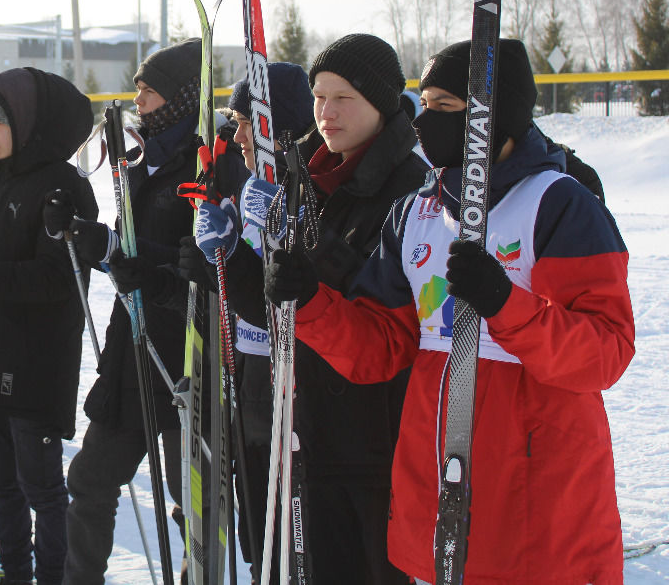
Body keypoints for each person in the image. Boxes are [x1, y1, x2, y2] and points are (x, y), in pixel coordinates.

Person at [269, 38, 635, 584]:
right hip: (436, 487)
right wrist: (313, 303)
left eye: (445, 108)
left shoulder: (557, 204)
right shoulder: (415, 214)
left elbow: (603, 353)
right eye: (425, 105)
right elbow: (380, 347)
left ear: (495, 117)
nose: (424, 122)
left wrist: (506, 306)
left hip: (535, 499)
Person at [209, 37, 427, 583]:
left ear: (380, 102)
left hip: (377, 443)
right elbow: (279, 307)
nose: (326, 113)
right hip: (307, 429)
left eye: (344, 98)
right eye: (319, 96)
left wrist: (318, 258)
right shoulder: (304, 177)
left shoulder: (413, 187)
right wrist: (228, 263)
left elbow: (392, 318)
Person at [48, 39, 204, 585]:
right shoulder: (142, 159)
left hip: (185, 360)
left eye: (150, 91)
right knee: (91, 478)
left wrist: (134, 261)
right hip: (131, 349)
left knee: (192, 499)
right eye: (138, 89)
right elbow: (129, 246)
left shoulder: (208, 165)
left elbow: (201, 265)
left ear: (183, 98)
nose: (139, 100)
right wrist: (88, 238)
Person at [0, 67, 97, 585]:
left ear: (26, 123)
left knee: (40, 487)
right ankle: (15, 575)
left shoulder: (62, 186)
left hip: (35, 363)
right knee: (0, 484)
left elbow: (60, 278)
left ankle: (53, 577)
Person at [176, 61, 315, 578]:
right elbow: (240, 282)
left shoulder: (303, 192)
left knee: (291, 539)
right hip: (250, 383)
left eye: (243, 123)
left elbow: (294, 298)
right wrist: (214, 256)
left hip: (296, 391)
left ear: (275, 124)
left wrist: (240, 257)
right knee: (259, 537)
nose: (235, 137)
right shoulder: (250, 188)